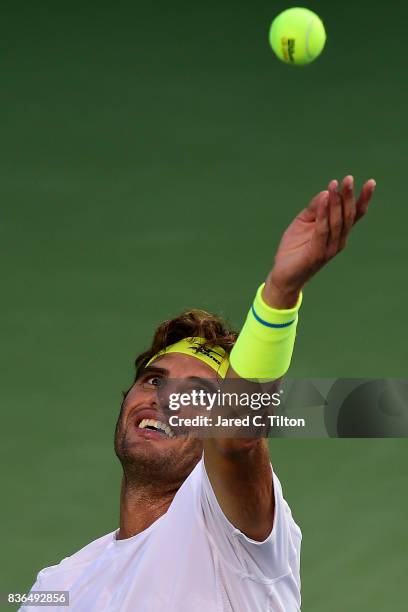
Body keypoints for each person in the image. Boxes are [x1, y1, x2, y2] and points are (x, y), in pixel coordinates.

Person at [22, 176, 376, 611]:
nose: (164, 398)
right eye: (154, 379)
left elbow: (237, 439)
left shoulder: (229, 536)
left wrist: (279, 296)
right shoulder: (55, 587)